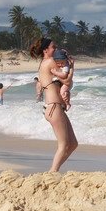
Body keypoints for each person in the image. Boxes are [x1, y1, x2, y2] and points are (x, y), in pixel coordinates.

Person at [30, 37, 78, 172]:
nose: (55, 49)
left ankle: (53, 170)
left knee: (73, 143)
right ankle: (52, 172)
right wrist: (72, 68)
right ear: (45, 50)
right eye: (53, 47)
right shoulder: (50, 62)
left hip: (55, 107)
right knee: (63, 145)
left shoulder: (45, 62)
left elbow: (66, 82)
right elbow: (67, 80)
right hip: (54, 107)